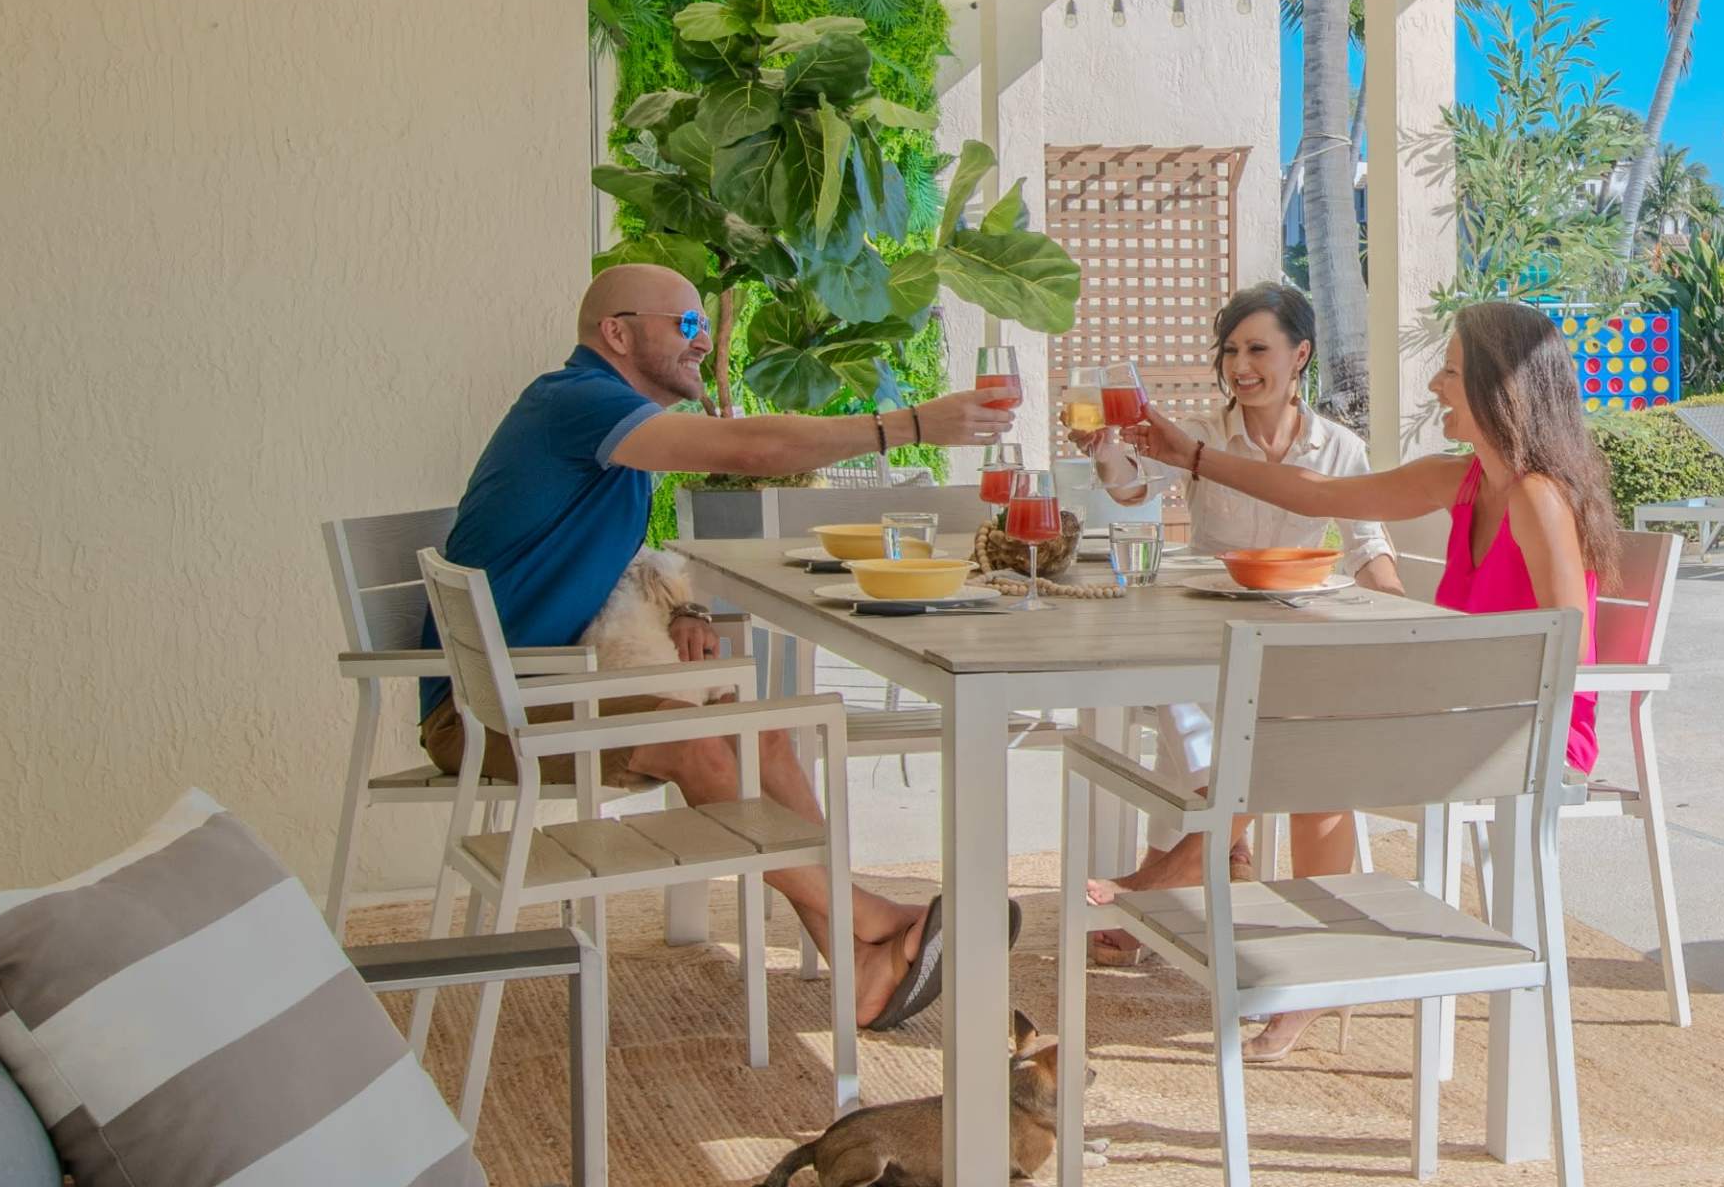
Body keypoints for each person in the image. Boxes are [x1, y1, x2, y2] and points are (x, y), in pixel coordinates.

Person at [425, 264, 1011, 1029]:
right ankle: (865, 913)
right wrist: (909, 425)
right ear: (617, 333)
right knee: (696, 739)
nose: (704, 342)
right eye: (688, 326)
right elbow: (750, 447)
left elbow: (592, 550)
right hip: (490, 713)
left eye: (704, 324)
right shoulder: (577, 400)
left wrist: (685, 604)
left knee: (759, 726)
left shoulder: (605, 419)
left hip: (549, 682)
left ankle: (862, 964)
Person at [1089, 299, 1615, 1045]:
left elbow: (1569, 651)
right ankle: (1297, 965)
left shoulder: (1537, 497)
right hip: (1461, 709)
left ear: (1500, 389)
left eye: (1451, 372)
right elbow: (1315, 493)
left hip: (1530, 729)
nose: (1435, 385)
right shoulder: (1459, 479)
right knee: (1303, 734)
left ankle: (1164, 885)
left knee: (1307, 736)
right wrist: (1193, 456)